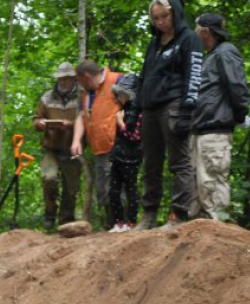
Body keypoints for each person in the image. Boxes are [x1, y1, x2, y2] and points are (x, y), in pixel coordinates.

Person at [133, 0, 203, 231]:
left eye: (164, 16)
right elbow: (144, 77)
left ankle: (179, 215)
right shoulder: (153, 43)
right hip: (150, 107)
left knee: (179, 161)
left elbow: (193, 75)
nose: (161, 22)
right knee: (151, 162)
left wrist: (187, 110)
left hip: (174, 104)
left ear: (175, 13)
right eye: (156, 18)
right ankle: (149, 214)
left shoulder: (189, 39)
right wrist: (135, 109)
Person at [191, 13, 250, 220]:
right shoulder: (211, 56)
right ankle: (197, 227)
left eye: (196, 28)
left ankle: (218, 227)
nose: (194, 32)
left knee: (213, 179)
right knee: (197, 179)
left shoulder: (226, 52)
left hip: (216, 127)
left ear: (206, 31)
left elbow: (237, 85)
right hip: (200, 127)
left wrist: (241, 115)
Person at [71, 60, 124, 224]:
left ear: (86, 77)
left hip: (117, 144)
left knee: (116, 186)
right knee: (102, 190)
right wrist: (76, 140)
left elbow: (133, 107)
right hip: (99, 146)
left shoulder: (117, 81)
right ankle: (112, 225)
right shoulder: (87, 93)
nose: (79, 85)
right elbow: (82, 115)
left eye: (79, 81)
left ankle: (122, 225)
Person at [33, 62, 83, 230]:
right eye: (60, 79)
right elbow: (35, 119)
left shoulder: (82, 96)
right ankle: (49, 213)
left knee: (71, 187)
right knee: (49, 179)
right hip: (51, 148)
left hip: (72, 148)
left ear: (73, 78)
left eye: (66, 79)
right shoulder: (47, 97)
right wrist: (40, 123)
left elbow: (89, 120)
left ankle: (66, 220)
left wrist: (72, 125)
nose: (63, 82)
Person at [108, 75, 143, 232]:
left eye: (122, 93)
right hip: (118, 156)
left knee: (131, 190)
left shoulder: (138, 112)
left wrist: (121, 123)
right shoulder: (122, 110)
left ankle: (132, 223)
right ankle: (119, 222)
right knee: (114, 190)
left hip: (132, 158)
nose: (118, 97)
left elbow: (136, 136)